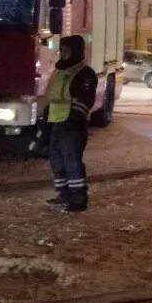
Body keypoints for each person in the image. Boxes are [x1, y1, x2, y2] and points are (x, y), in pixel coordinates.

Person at [42, 35, 97, 212]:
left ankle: (79, 199)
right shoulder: (61, 71)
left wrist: (74, 119)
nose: (63, 54)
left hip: (72, 125)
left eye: (66, 51)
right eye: (62, 50)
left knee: (72, 162)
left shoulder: (84, 73)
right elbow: (53, 96)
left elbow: (85, 100)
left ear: (75, 51)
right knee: (57, 161)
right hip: (57, 123)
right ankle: (64, 195)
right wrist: (45, 116)